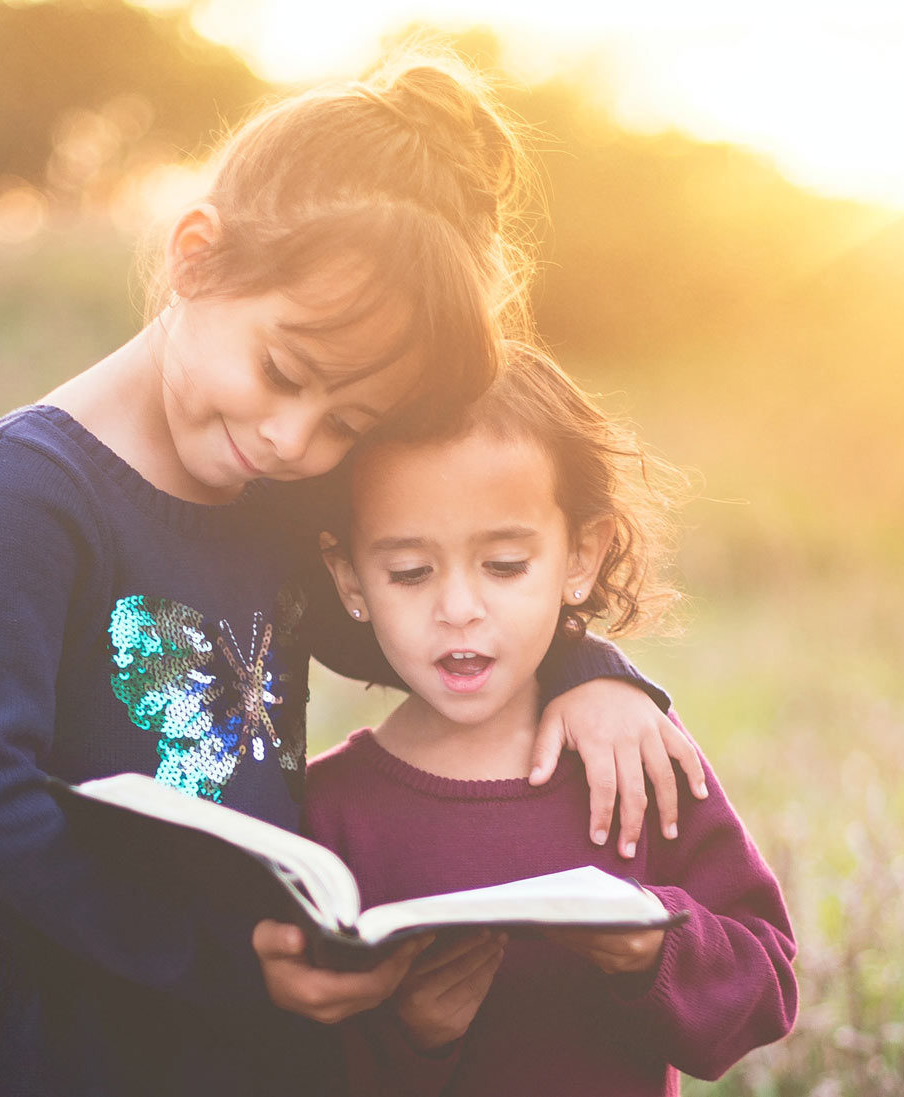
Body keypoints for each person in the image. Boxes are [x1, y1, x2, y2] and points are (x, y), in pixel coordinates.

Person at [0, 56, 707, 1097]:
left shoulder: (267, 495)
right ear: (197, 257)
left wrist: (585, 670)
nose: (292, 437)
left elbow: (420, 632)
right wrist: (228, 961)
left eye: (349, 423)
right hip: (52, 1027)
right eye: (283, 372)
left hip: (239, 1026)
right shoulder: (30, 495)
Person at [307, 343, 798, 1096]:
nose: (459, 608)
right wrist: (411, 1034)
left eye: (504, 564)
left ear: (581, 556)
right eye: (409, 571)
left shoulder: (631, 755)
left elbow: (767, 984)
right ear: (350, 577)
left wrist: (651, 944)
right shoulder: (328, 811)